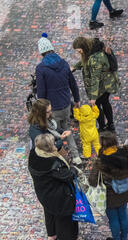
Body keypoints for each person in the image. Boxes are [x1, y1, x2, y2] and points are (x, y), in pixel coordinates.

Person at [28, 134, 84, 240]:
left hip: (43, 192)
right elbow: (67, 176)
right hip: (59, 195)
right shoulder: (54, 163)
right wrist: (74, 170)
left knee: (49, 212)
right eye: (53, 143)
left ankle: (52, 237)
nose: (55, 145)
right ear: (49, 147)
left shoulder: (34, 153)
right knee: (64, 217)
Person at [35, 33, 82, 165]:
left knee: (54, 133)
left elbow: (41, 92)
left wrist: (41, 110)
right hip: (66, 104)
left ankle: (60, 157)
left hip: (52, 108)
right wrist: (77, 99)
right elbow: (73, 83)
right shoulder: (64, 63)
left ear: (42, 53)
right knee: (67, 128)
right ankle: (76, 155)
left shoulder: (41, 69)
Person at [88, 131, 128, 240]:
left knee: (113, 218)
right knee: (123, 215)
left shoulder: (101, 161)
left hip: (110, 196)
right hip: (124, 192)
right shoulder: (125, 154)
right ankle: (124, 239)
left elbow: (92, 181)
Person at [72, 37, 121, 132]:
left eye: (79, 51)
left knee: (97, 105)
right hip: (107, 83)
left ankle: (102, 127)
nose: (79, 53)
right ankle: (110, 125)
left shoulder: (95, 58)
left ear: (84, 47)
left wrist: (93, 97)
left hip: (103, 85)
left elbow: (95, 77)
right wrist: (75, 67)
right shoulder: (92, 50)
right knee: (105, 102)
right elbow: (85, 61)